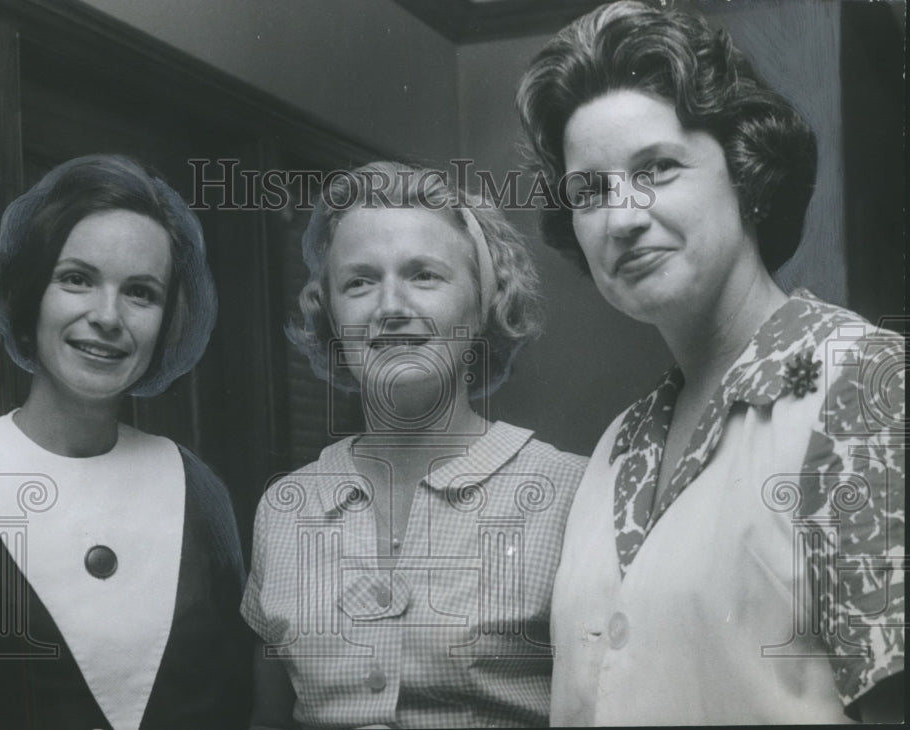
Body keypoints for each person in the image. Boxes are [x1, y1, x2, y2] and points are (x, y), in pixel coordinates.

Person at [516, 1, 904, 725]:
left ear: (746, 174)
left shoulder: (870, 390)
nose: (621, 217)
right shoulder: (617, 447)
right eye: (588, 191)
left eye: (656, 168)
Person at [242, 160, 587, 728]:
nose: (391, 308)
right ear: (329, 314)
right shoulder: (285, 509)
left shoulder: (570, 495)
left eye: (424, 275)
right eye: (359, 281)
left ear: (483, 303)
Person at [0, 155, 249, 728]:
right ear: (30, 294)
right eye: (76, 279)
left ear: (168, 323)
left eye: (141, 292)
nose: (108, 316)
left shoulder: (197, 487)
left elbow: (237, 700)